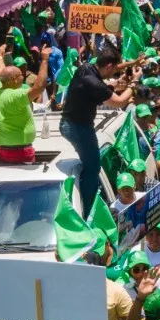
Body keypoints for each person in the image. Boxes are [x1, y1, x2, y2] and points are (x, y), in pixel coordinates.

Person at [63, 49, 135, 214]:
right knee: (94, 167)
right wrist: (132, 85)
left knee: (88, 163)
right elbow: (119, 102)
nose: (115, 72)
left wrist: (116, 81)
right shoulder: (95, 83)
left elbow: (96, 87)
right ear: (108, 66)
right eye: (115, 69)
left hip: (70, 124)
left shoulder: (86, 68)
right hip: (78, 128)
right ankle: (88, 209)